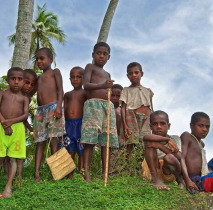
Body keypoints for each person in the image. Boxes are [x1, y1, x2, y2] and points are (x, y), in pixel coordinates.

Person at [81, 42, 119, 183]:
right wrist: (103, 85)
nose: (101, 56)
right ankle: (87, 174)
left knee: (106, 141)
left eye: (104, 54)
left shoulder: (107, 73)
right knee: (90, 140)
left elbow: (107, 90)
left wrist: (108, 89)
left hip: (106, 107)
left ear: (109, 57)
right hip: (93, 105)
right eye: (98, 53)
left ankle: (105, 173)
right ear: (93, 55)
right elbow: (86, 85)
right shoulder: (90, 67)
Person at [0, 67, 29, 198]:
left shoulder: (24, 99)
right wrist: (4, 123)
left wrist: (10, 122)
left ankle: (8, 186)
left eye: (19, 79)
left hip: (17, 129)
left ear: (23, 81)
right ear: (7, 80)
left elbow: (25, 115)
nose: (16, 82)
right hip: (2, 126)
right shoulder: (2, 94)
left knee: (13, 159)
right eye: (13, 79)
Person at [33, 48, 64, 183]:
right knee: (40, 142)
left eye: (42, 58)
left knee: (53, 141)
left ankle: (56, 172)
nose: (39, 61)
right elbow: (29, 92)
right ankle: (37, 174)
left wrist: (58, 107)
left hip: (53, 108)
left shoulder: (55, 72)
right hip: (40, 111)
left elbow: (60, 90)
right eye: (37, 59)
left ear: (50, 59)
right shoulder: (38, 78)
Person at [142, 110, 185, 191]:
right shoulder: (150, 138)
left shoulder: (175, 138)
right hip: (153, 170)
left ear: (168, 126)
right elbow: (146, 137)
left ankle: (179, 179)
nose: (159, 127)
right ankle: (156, 180)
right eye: (155, 124)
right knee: (149, 143)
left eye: (162, 123)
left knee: (169, 157)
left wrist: (159, 146)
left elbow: (179, 156)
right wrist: (167, 139)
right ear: (150, 126)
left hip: (168, 172)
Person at [120, 62, 154, 159]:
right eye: (130, 73)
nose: (134, 75)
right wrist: (125, 125)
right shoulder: (126, 90)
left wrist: (152, 120)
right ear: (127, 76)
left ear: (141, 74)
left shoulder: (148, 91)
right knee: (131, 142)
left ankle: (140, 168)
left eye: (136, 72)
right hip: (132, 118)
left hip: (146, 119)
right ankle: (129, 167)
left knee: (144, 142)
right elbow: (123, 108)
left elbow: (151, 107)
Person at [60, 66, 87, 179]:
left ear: (84, 78)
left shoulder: (85, 93)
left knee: (81, 150)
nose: (75, 79)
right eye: (72, 77)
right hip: (68, 124)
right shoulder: (67, 95)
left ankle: (81, 172)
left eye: (78, 77)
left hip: (80, 123)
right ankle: (69, 173)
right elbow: (64, 109)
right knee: (69, 149)